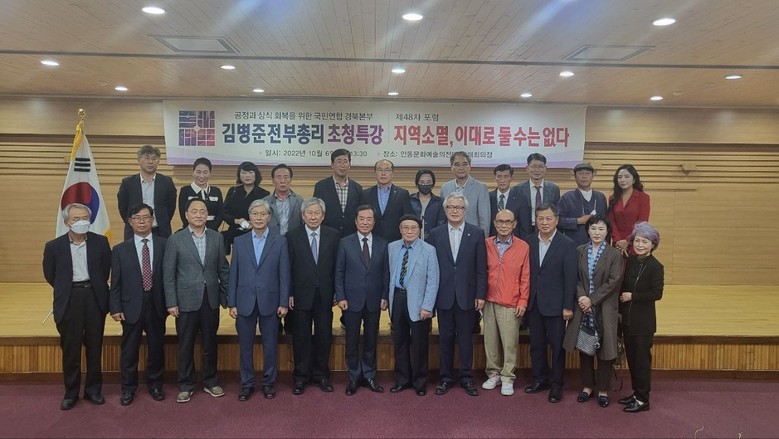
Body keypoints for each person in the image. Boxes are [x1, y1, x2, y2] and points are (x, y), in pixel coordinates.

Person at [43, 203, 111, 410]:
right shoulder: (54, 246)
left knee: (94, 347)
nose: (81, 222)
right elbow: (50, 274)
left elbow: (105, 269)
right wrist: (67, 289)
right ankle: (71, 393)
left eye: (85, 218)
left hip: (94, 297)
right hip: (70, 298)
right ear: (66, 222)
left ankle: (93, 390)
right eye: (76, 219)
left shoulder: (101, 242)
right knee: (71, 349)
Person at [163, 198, 230, 403]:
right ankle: (186, 384)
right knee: (186, 344)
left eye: (202, 211)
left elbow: (223, 269)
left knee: (210, 343)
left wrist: (226, 297)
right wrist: (171, 302)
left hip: (210, 299)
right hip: (185, 300)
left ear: (207, 214)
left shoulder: (217, 237)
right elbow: (168, 274)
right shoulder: (176, 239)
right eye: (194, 211)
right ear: (186, 215)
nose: (199, 215)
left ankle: (211, 381)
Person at [228, 199, 290, 401]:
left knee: (270, 346)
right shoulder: (239, 241)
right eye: (255, 214)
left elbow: (284, 274)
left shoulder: (280, 241)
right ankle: (246, 384)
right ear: (249, 217)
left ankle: (269, 382)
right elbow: (234, 273)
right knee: (245, 347)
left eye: (263, 214)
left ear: (269, 217)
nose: (259, 217)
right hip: (244, 301)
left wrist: (283, 302)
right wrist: (232, 302)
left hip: (271, 302)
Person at [428, 193, 487, 396]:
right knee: (445, 338)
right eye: (451, 207)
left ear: (465, 210)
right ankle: (445, 377)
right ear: (445, 210)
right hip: (443, 294)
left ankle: (466, 377)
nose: (455, 210)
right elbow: (431, 267)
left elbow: (481, 268)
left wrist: (480, 294)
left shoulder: (477, 233)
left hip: (467, 295)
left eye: (459, 207)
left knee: (465, 339)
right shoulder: (435, 234)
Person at [109, 203, 168, 406]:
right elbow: (115, 282)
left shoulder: (164, 245)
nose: (142, 221)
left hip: (157, 303)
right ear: (130, 221)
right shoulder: (120, 250)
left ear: (152, 220)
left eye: (146, 217)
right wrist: (115, 307)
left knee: (156, 347)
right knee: (129, 350)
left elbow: (170, 277)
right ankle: (128, 388)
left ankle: (155, 385)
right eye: (137, 218)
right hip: (130, 306)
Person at [562, 215, 622, 408]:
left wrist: (592, 299)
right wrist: (582, 297)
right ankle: (587, 386)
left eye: (601, 229)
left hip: (604, 307)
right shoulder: (579, 250)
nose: (597, 233)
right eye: (593, 228)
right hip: (583, 308)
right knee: (585, 346)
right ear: (587, 230)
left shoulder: (614, 254)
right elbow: (574, 277)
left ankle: (603, 389)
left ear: (607, 232)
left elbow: (613, 282)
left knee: (605, 349)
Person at [524, 203, 577, 403]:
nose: (544, 222)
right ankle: (540, 379)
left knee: (557, 347)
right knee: (536, 345)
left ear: (556, 220)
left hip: (557, 306)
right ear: (535, 220)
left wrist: (568, 306)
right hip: (534, 304)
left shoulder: (567, 244)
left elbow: (570, 278)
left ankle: (556, 384)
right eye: (540, 218)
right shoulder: (528, 242)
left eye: (548, 218)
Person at [286, 198, 339, 395]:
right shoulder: (292, 236)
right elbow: (287, 267)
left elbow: (337, 266)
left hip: (325, 294)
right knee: (301, 337)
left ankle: (321, 374)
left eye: (317, 213)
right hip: (300, 294)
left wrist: (337, 291)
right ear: (303, 215)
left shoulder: (333, 235)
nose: (313, 216)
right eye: (310, 213)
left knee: (324, 336)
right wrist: (289, 292)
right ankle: (301, 376)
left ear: (323, 216)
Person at [335, 205, 389, 395]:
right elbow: (339, 272)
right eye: (362, 219)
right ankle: (354, 377)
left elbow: (386, 274)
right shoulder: (345, 243)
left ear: (374, 222)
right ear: (356, 221)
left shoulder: (383, 243)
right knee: (351, 341)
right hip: (351, 301)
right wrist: (340, 296)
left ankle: (369, 375)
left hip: (374, 300)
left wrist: (384, 296)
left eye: (369, 219)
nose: (365, 222)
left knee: (371, 340)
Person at [387, 214, 439, 396]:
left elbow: (433, 280)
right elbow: (389, 274)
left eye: (413, 228)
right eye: (405, 227)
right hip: (398, 299)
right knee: (399, 342)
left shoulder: (429, 250)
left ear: (419, 230)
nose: (409, 231)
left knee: (419, 345)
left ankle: (420, 382)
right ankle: (402, 380)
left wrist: (427, 306)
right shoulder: (392, 247)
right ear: (400, 230)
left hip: (419, 302)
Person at [481, 209, 530, 396]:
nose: (503, 225)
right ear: (494, 223)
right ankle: (493, 373)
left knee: (509, 343)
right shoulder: (485, 244)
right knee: (490, 340)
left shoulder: (523, 247)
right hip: (488, 300)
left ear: (514, 224)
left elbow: (525, 276)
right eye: (500, 221)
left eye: (508, 222)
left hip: (511, 301)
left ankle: (508, 377)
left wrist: (523, 300)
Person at [618, 222, 664, 413]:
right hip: (628, 321)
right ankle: (636, 394)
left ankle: (643, 400)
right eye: (637, 240)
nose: (640, 245)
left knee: (642, 363)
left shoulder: (656, 267)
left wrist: (633, 296)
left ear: (653, 244)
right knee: (632, 360)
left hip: (643, 324)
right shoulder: (630, 261)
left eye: (645, 241)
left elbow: (657, 294)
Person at [117, 144, 177, 241]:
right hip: (134, 231)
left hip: (160, 231)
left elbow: (170, 208)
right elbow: (123, 208)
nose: (150, 162)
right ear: (139, 160)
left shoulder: (167, 182)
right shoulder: (128, 183)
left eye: (154, 158)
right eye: (147, 158)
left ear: (158, 161)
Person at [313, 148, 364, 238]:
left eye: (345, 161)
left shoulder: (357, 188)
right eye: (339, 161)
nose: (342, 165)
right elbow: (317, 211)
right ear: (332, 165)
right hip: (327, 236)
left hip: (351, 236)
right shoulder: (321, 187)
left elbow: (360, 214)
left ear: (350, 165)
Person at [221, 161, 270, 252]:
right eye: (244, 173)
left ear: (256, 175)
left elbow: (266, 216)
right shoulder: (233, 191)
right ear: (239, 175)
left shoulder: (264, 194)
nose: (247, 176)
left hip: (255, 235)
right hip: (234, 235)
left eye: (250, 172)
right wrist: (236, 221)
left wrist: (253, 224)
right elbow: (223, 213)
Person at [440, 151, 491, 237]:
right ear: (451, 167)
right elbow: (443, 216)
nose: (461, 168)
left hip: (473, 236)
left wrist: (483, 239)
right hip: (450, 235)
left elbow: (484, 219)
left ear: (470, 166)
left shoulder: (481, 188)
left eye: (465, 164)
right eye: (457, 164)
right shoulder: (445, 188)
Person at [558, 162, 608, 246]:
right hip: (573, 243)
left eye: (587, 173)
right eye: (580, 173)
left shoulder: (600, 197)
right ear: (575, 176)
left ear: (592, 176)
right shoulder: (567, 197)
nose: (584, 176)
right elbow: (558, 220)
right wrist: (578, 221)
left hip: (597, 244)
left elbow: (606, 221)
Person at [362, 159, 413, 242]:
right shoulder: (366, 194)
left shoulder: (402, 194)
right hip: (372, 241)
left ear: (392, 174)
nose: (383, 173)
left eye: (387, 170)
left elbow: (407, 218)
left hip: (395, 241)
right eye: (380, 170)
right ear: (375, 173)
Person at [607, 164, 651, 257]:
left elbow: (642, 222)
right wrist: (618, 241)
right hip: (617, 243)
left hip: (636, 241)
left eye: (626, 177)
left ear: (634, 180)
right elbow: (611, 221)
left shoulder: (643, 198)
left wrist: (627, 241)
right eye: (620, 177)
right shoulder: (612, 198)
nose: (623, 180)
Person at [514, 153, 561, 238]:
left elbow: (556, 212)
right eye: (533, 166)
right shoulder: (518, 189)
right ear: (527, 168)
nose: (537, 170)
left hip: (546, 229)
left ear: (545, 169)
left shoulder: (554, 189)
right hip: (524, 231)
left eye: (540, 166)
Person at [178, 157, 224, 231]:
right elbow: (183, 214)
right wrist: (196, 230)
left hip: (212, 231)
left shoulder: (216, 191)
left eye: (205, 172)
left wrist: (209, 231)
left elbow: (220, 214)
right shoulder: (185, 190)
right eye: (198, 172)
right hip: (191, 231)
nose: (202, 176)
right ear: (193, 173)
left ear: (210, 174)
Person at [262, 163, 303, 236]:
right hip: (272, 239)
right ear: (273, 181)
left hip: (293, 239)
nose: (282, 181)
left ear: (291, 180)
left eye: (286, 177)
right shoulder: (265, 201)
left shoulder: (299, 200)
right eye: (278, 177)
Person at [409, 169, 446, 241]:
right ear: (417, 183)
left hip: (433, 240)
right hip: (412, 239)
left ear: (433, 184)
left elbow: (441, 224)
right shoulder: (409, 200)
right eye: (422, 182)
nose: (425, 185)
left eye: (428, 182)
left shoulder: (439, 202)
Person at [488, 164, 522, 237]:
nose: (502, 180)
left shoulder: (520, 198)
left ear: (511, 178)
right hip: (492, 239)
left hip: (514, 239)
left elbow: (524, 226)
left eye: (506, 177)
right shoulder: (488, 197)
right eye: (499, 176)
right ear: (495, 178)